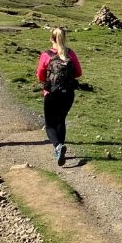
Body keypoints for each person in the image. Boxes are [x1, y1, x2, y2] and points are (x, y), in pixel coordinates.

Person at [36, 27, 82, 166]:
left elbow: (40, 75)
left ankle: (57, 146)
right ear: (64, 38)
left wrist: (49, 82)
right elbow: (79, 73)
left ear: (51, 38)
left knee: (50, 124)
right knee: (61, 120)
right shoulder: (71, 54)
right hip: (68, 93)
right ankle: (60, 150)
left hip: (52, 93)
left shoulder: (46, 55)